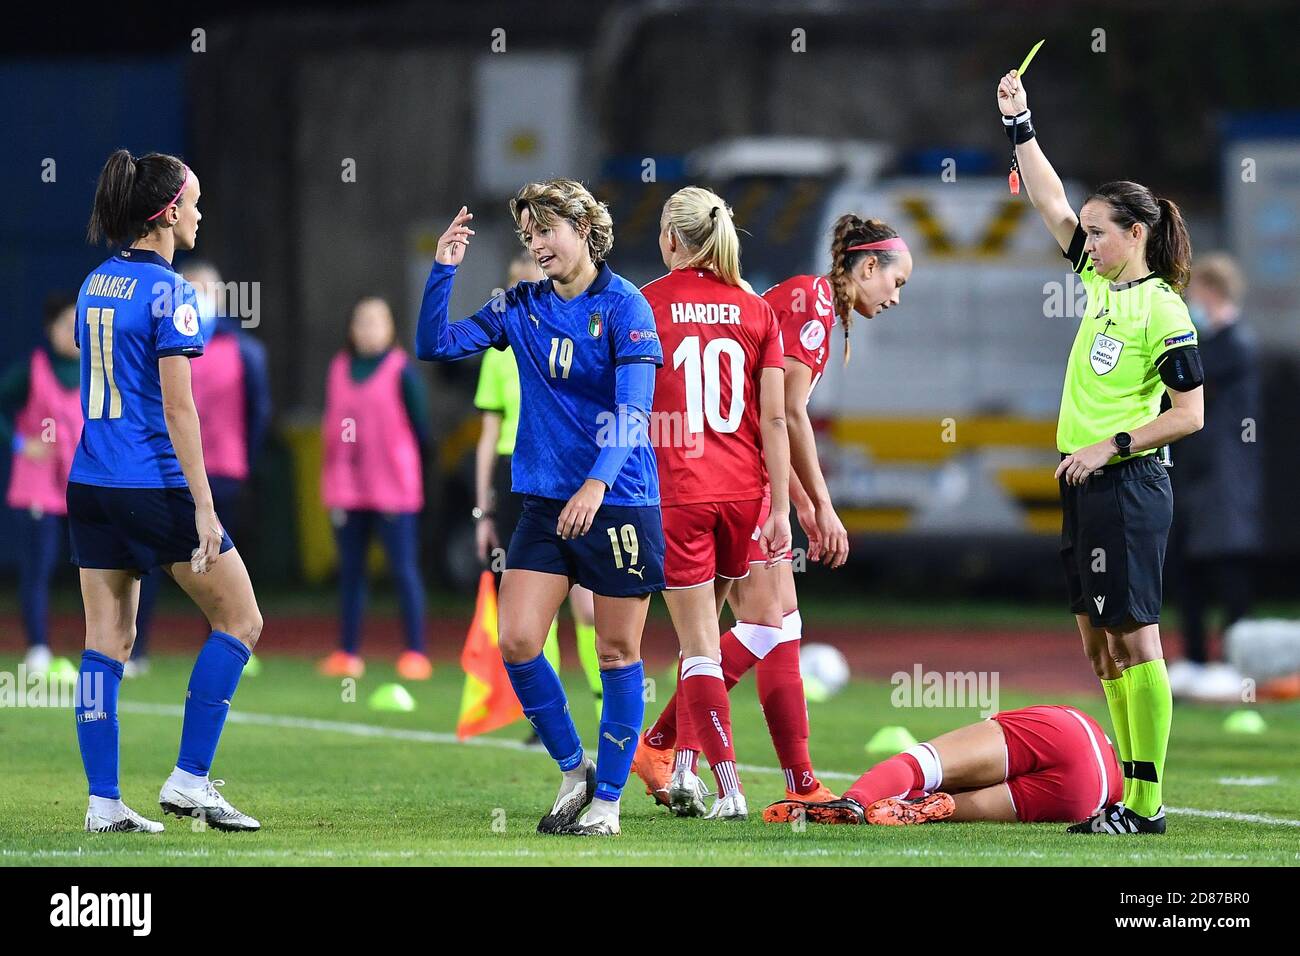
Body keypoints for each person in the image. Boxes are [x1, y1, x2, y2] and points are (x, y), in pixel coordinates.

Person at [631, 213, 913, 819]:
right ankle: (664, 744)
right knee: (764, 627)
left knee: (778, 624)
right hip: (739, 480)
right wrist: (816, 507)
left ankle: (790, 777)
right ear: (867, 268)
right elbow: (782, 415)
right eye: (897, 282)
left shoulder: (808, 301)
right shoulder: (813, 303)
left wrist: (807, 503)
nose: (896, 297)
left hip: (733, 475)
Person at [417, 181, 664, 837]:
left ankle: (608, 804)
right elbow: (435, 344)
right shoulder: (519, 305)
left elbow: (634, 412)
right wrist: (443, 269)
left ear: (584, 229)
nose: (535, 245)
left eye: (546, 231)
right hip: (546, 504)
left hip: (620, 501)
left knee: (615, 654)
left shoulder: (625, 305)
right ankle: (573, 768)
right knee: (519, 640)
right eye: (528, 235)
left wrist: (597, 485)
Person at [999, 66, 1204, 834]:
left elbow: (1191, 414)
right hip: (1083, 484)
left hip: (1128, 483)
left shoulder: (1164, 310)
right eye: (1086, 231)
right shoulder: (1100, 282)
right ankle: (1126, 797)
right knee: (1098, 645)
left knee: (1133, 635)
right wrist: (1021, 123)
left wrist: (1110, 444)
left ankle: (1145, 803)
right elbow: (1049, 199)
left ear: (1136, 234)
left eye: (1098, 231)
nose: (1083, 238)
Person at [71, 148, 263, 833]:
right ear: (168, 213)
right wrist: (205, 507)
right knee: (241, 621)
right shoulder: (173, 293)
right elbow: (180, 411)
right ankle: (189, 780)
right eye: (194, 201)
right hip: (149, 481)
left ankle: (103, 802)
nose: (200, 213)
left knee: (106, 645)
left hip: (89, 482)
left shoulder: (97, 281)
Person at [638, 186, 792, 820]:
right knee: (702, 637)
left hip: (681, 493)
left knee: (699, 643)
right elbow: (776, 420)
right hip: (745, 495)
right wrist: (781, 509)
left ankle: (728, 791)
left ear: (672, 239)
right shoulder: (756, 309)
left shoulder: (645, 304)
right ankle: (680, 767)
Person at [474, 250, 604, 730]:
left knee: (588, 605)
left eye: (530, 275)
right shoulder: (500, 350)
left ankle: (598, 697)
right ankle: (544, 715)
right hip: (516, 477)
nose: (522, 285)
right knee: (529, 604)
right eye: (515, 278)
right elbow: (488, 432)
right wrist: (481, 507)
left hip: (568, 472)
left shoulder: (577, 333)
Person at [129, 260, 271, 678]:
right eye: (191, 289)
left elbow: (258, 411)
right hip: (167, 472)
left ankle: (224, 646)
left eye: (206, 290)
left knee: (223, 563)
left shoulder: (245, 351)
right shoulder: (156, 342)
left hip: (224, 471)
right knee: (150, 559)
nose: (198, 298)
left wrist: (245, 459)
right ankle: (136, 649)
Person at [764, 705, 1122, 828]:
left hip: (1067, 729)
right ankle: (920, 809)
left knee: (923, 766)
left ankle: (854, 802)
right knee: (952, 805)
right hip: (1089, 795)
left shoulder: (1061, 722)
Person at [319, 296, 433, 681]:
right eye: (362, 322)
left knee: (403, 571)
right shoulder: (338, 368)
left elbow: (421, 431)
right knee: (351, 573)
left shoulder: (403, 372)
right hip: (347, 489)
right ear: (352, 329)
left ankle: (415, 652)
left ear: (390, 329)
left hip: (393, 490)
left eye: (377, 322)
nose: (368, 330)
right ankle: (347, 653)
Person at [1166, 254, 1262, 700]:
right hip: (1193, 476)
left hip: (1223, 478)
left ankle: (1235, 663)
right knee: (1188, 569)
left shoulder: (1234, 345)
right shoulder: (1213, 344)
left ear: (1214, 293)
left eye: (1197, 294)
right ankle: (1198, 659)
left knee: (1227, 568)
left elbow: (1190, 378)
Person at [1, 294, 82, 674]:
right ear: (50, 329)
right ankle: (37, 649)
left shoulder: (97, 372)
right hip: (37, 488)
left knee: (101, 567)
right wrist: (18, 442)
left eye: (80, 325)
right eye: (67, 325)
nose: (74, 333)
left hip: (82, 483)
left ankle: (108, 647)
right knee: (39, 566)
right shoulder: (31, 370)